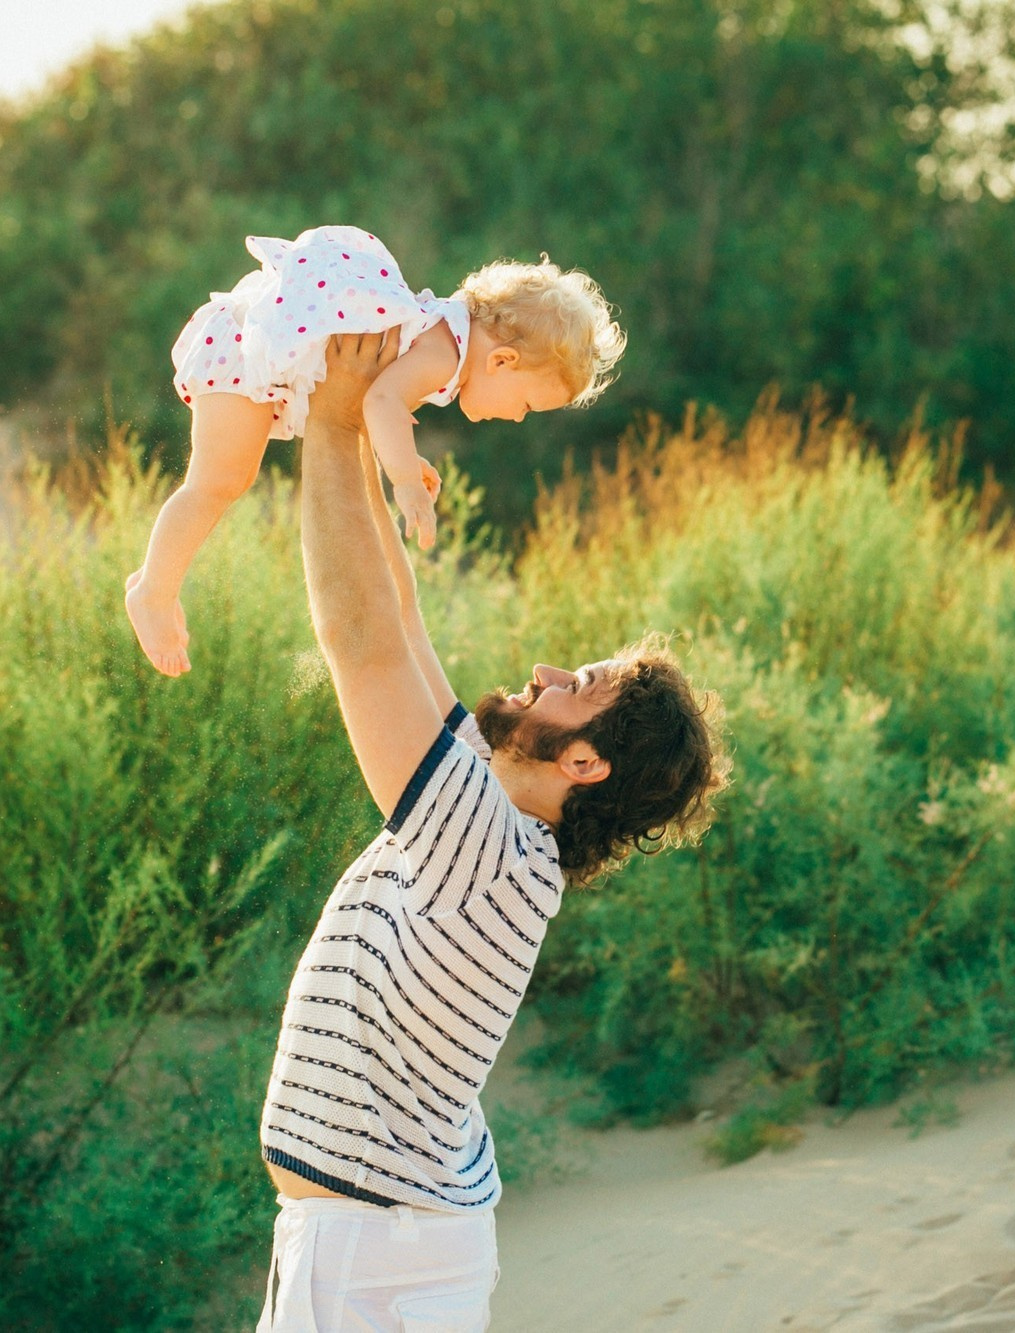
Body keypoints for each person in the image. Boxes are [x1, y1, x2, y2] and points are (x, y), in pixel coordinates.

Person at [257, 329, 726, 1331]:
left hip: (371, 1246)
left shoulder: (486, 847)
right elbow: (401, 621)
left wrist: (333, 421)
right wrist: (360, 427)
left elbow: (359, 640)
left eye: (580, 687)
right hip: (379, 1234)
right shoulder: (493, 829)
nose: (551, 670)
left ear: (584, 764)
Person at [125, 225, 625, 676]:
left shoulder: (440, 341)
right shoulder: (441, 351)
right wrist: (404, 480)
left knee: (224, 482)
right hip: (243, 349)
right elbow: (382, 400)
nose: (517, 417)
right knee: (218, 483)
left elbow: (376, 403)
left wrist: (405, 457)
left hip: (251, 349)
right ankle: (154, 591)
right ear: (503, 360)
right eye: (527, 404)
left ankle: (158, 585)